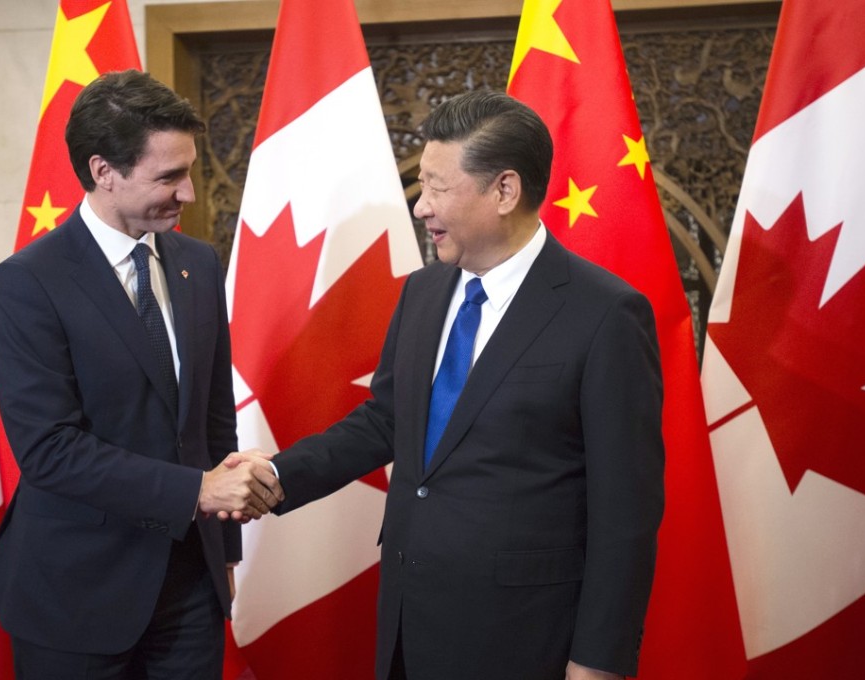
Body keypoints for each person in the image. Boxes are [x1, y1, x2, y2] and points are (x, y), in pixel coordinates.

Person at [253, 90, 665, 679]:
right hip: (408, 624)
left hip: (524, 638)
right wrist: (275, 476)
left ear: (504, 190)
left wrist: (598, 662)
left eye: (437, 188)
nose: (421, 208)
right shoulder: (424, 291)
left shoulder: (605, 314)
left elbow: (625, 510)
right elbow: (388, 419)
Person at [0, 70, 283, 680]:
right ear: (103, 171)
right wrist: (195, 491)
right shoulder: (28, 281)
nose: (189, 194)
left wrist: (224, 549)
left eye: (189, 171)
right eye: (168, 177)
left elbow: (211, 418)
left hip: (190, 589)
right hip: (75, 593)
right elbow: (49, 450)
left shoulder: (197, 263)